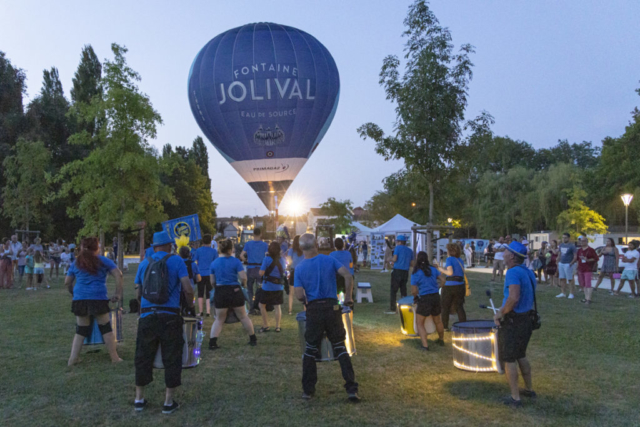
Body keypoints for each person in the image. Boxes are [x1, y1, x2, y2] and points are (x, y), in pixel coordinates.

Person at [133, 231, 196, 414]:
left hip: (147, 316)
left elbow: (138, 293)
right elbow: (187, 288)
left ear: (154, 247)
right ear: (170, 245)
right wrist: (189, 306)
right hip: (170, 316)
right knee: (172, 356)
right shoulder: (177, 261)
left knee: (142, 356)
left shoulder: (145, 263)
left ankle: (139, 399)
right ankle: (168, 402)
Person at [293, 233, 359, 402]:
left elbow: (299, 295)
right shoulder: (329, 260)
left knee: (309, 350)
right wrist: (349, 297)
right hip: (332, 307)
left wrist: (306, 300)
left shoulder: (299, 268)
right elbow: (348, 275)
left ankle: (308, 390)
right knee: (340, 347)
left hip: (314, 309)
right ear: (316, 244)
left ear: (301, 248)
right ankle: (351, 388)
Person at [65, 237, 124, 366]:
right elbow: (118, 275)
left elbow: (67, 282)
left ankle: (73, 359)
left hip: (80, 298)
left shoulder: (76, 262)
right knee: (106, 328)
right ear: (97, 248)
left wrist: (73, 292)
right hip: (98, 297)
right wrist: (117, 294)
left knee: (81, 329)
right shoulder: (103, 261)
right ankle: (115, 358)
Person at [493, 241, 537, 408]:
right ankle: (529, 389)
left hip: (514, 321)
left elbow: (513, 297)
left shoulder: (512, 273)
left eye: (505, 251)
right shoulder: (528, 272)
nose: (503, 253)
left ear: (511, 256)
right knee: (521, 354)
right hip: (526, 319)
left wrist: (501, 312)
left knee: (509, 358)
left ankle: (515, 398)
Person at [209, 239, 257, 349]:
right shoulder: (235, 261)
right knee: (243, 316)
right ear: (231, 250)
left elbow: (212, 282)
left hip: (221, 291)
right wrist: (243, 285)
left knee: (219, 319)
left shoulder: (214, 263)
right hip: (235, 291)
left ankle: (212, 342)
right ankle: (253, 339)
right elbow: (243, 277)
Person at [410, 251, 445, 351]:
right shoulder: (433, 270)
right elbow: (443, 280)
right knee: (437, 320)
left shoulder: (415, 273)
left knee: (420, 323)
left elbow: (413, 291)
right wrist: (438, 287)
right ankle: (441, 339)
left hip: (425, 298)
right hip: (435, 297)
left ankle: (425, 345)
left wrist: (416, 296)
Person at [435, 243, 467, 330]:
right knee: (459, 307)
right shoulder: (460, 260)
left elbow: (450, 273)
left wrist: (440, 269)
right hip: (460, 285)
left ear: (450, 251)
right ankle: (464, 326)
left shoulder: (449, 259)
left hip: (450, 286)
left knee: (445, 306)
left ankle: (445, 327)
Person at [258, 241, 286, 332]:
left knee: (262, 305)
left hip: (267, 287)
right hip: (278, 286)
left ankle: (266, 325)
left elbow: (261, 273)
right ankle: (277, 326)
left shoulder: (266, 259)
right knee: (277, 306)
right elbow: (284, 271)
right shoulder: (282, 260)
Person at [240, 228, 269, 313]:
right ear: (260, 234)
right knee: (260, 289)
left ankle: (251, 307)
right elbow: (267, 257)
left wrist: (246, 261)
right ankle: (259, 306)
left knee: (250, 289)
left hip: (251, 268)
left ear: (253, 234)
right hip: (260, 269)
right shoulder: (264, 245)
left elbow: (241, 255)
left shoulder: (248, 244)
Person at [385, 235, 414, 314]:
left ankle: (393, 307)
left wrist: (389, 259)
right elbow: (412, 263)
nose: (396, 243)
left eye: (397, 241)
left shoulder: (398, 248)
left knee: (393, 290)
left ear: (400, 242)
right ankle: (404, 306)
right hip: (405, 271)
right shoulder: (410, 250)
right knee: (403, 289)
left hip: (397, 270)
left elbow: (395, 259)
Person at [193, 234, 218, 317]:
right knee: (208, 292)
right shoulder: (214, 251)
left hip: (200, 273)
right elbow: (216, 263)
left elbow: (194, 260)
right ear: (210, 241)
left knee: (200, 292)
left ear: (202, 241)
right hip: (210, 274)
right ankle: (208, 311)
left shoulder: (198, 251)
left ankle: (200, 312)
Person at [572, 237, 598, 304]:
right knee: (583, 284)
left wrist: (588, 260)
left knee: (588, 283)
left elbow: (596, 258)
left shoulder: (591, 250)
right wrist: (577, 268)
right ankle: (586, 298)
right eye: (581, 241)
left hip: (588, 268)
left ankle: (589, 299)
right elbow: (578, 260)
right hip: (581, 268)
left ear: (586, 242)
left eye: (583, 241)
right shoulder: (579, 250)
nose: (582, 242)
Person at [287, 236, 305, 315]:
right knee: (305, 291)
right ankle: (305, 308)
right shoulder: (304, 250)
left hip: (294, 271)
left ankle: (290, 310)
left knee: (291, 292)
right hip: (303, 270)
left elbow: (289, 260)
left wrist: (289, 265)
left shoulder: (291, 250)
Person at [556, 233, 577, 299]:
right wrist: (558, 261)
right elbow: (559, 254)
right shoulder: (561, 245)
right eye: (563, 237)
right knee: (562, 278)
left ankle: (571, 293)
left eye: (565, 237)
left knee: (570, 279)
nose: (564, 239)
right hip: (561, 263)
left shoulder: (572, 246)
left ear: (568, 238)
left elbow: (575, 256)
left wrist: (571, 263)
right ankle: (563, 293)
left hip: (568, 264)